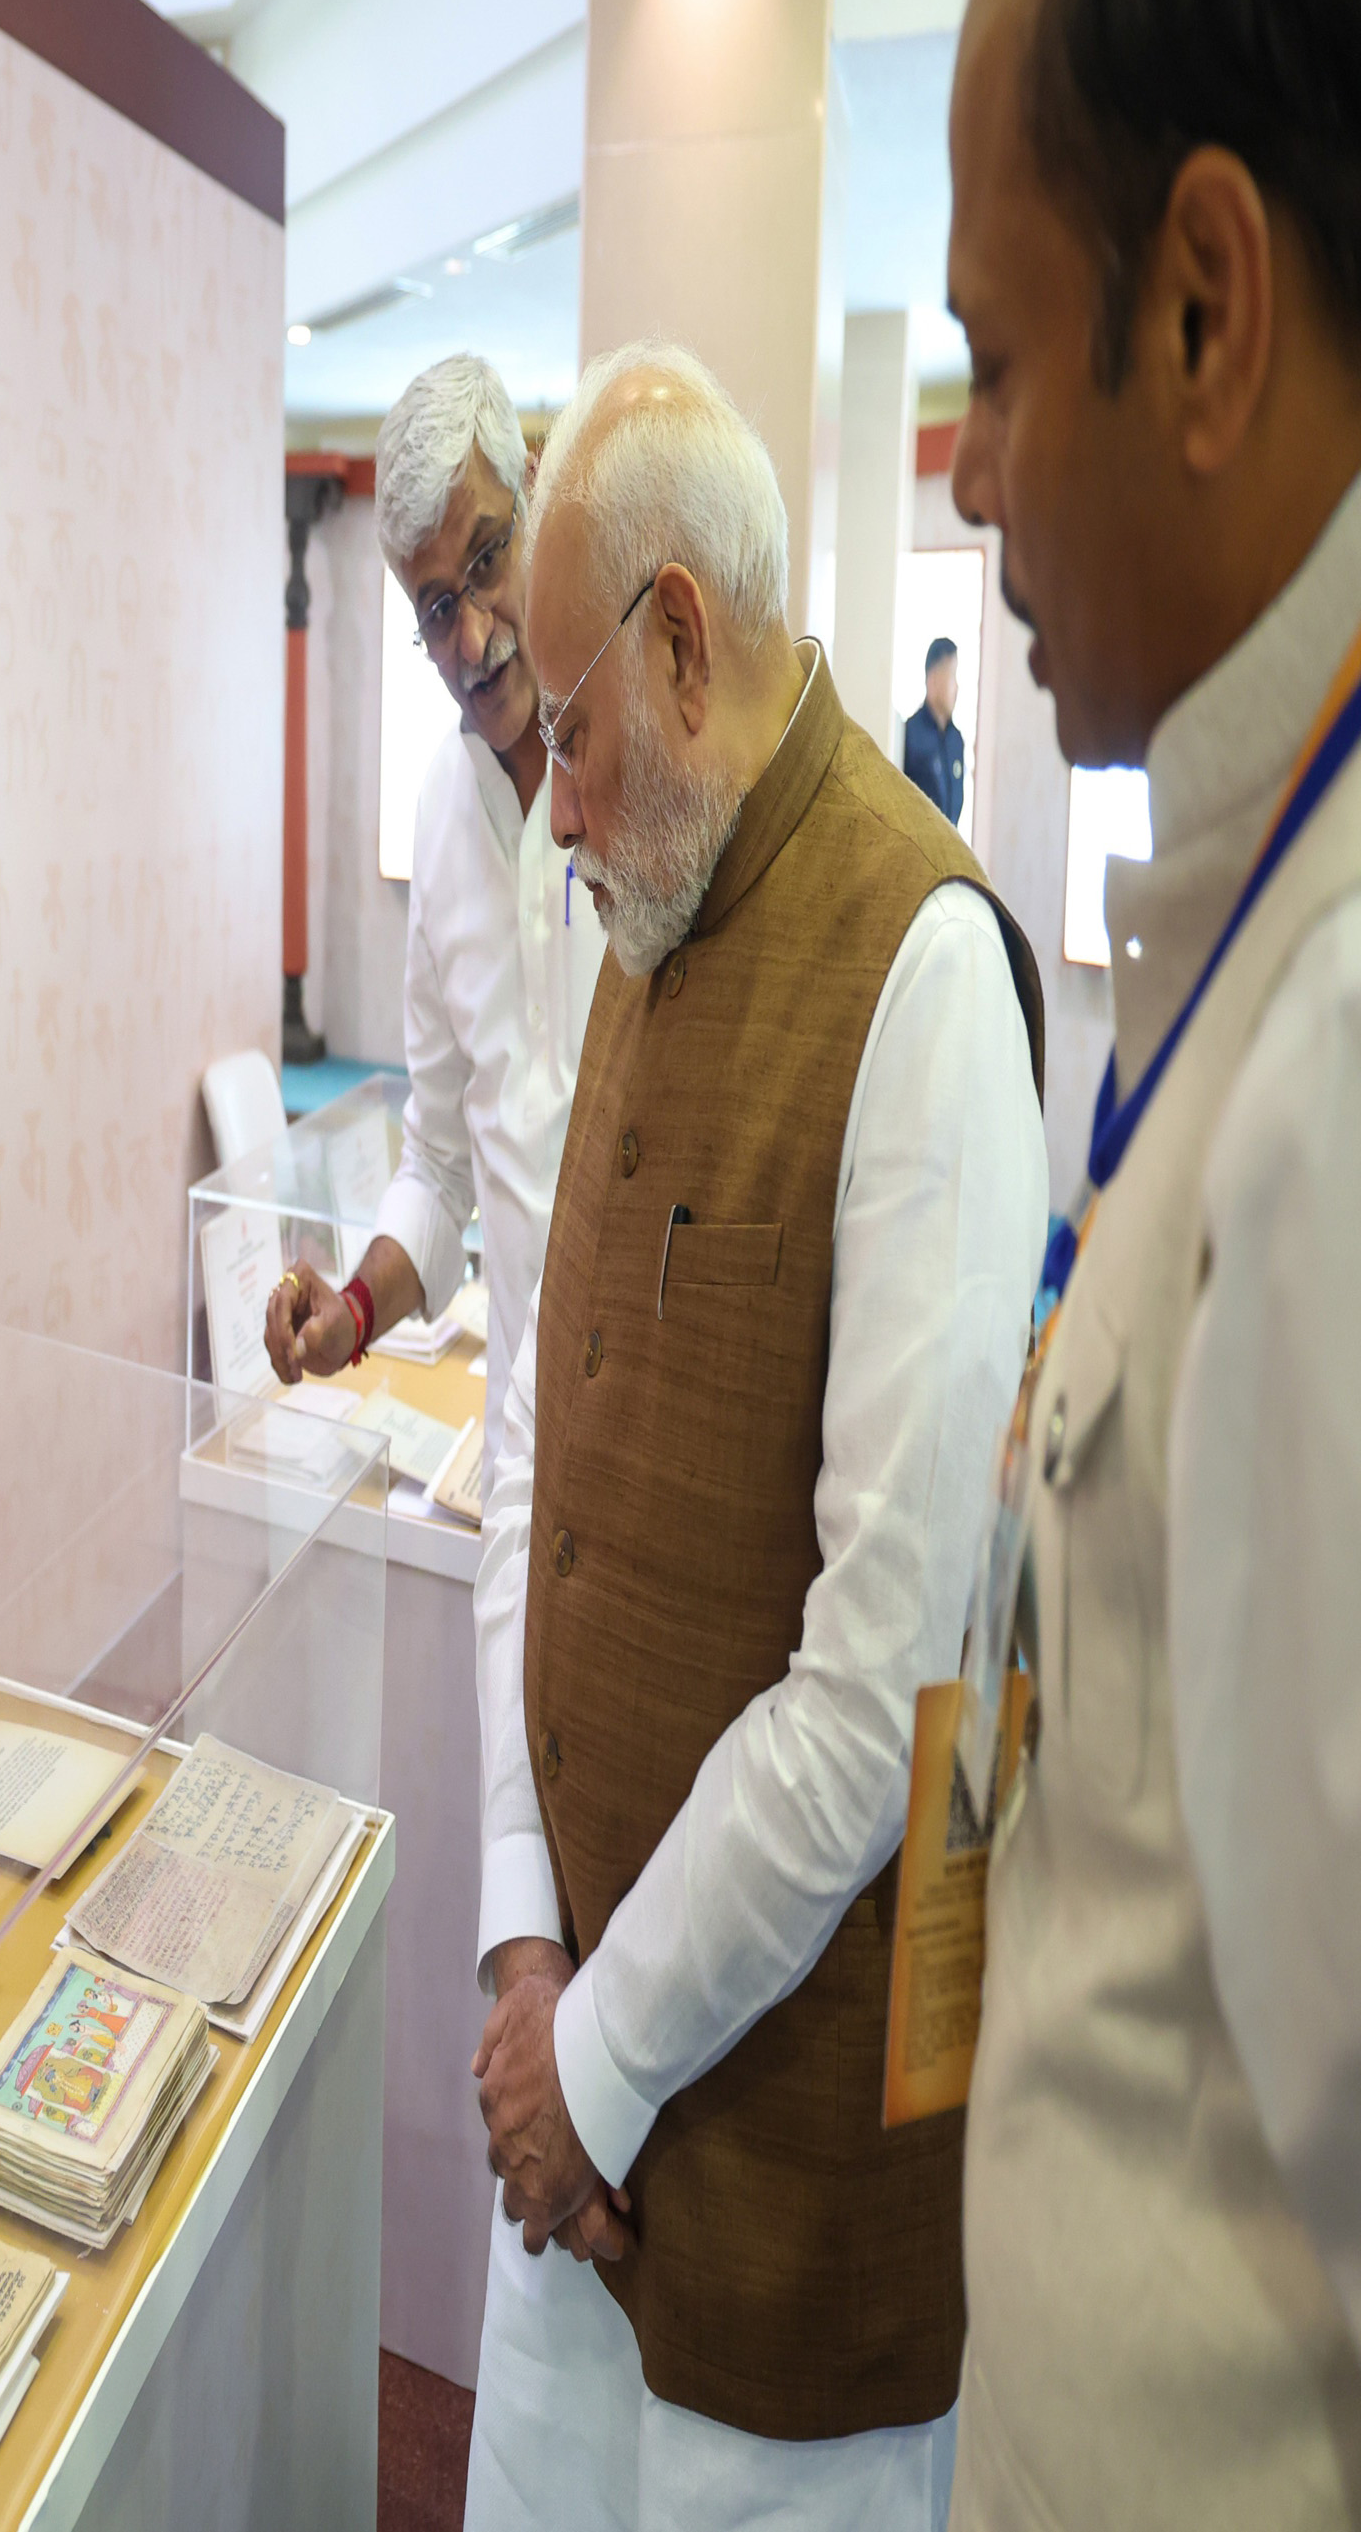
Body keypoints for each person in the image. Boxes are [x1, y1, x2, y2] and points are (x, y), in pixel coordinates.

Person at [462, 342, 1048, 2530]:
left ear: (678, 640)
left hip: (780, 2205)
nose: (553, 798)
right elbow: (544, 1452)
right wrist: (525, 1938)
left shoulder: (920, 972)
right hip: (576, 2127)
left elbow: (885, 1672)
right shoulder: (643, 898)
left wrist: (592, 2060)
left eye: (568, 731)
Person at [942, 0, 1361, 2520]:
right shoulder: (1229, 893)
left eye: (993, 358)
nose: (965, 479)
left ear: (1202, 312)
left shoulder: (1340, 1045)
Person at [263, 354, 604, 1479]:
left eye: (488, 562)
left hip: (666, 1438)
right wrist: (355, 1305)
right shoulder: (440, 816)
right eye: (435, 608)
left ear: (538, 501)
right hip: (522, 1443)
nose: (472, 639)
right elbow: (443, 1159)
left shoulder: (647, 779)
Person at [902, 635, 968, 822]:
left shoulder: (956, 740)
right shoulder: (910, 735)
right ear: (933, 680)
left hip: (948, 847)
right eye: (952, 676)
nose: (957, 687)